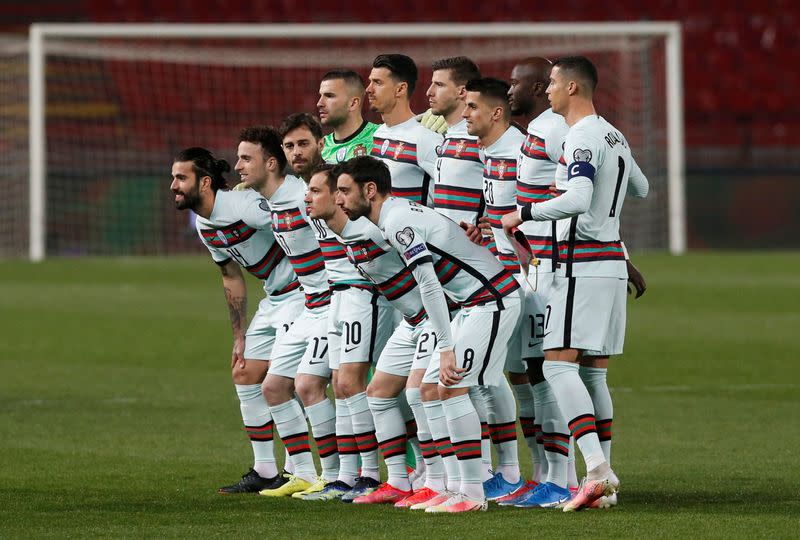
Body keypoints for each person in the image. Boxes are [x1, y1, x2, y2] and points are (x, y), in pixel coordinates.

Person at [502, 55, 649, 511]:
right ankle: (603, 483)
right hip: (610, 262)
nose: (545, 91)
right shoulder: (613, 133)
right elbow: (640, 187)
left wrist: (524, 213)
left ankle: (598, 471)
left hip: (577, 263)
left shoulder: (581, 136)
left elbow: (581, 197)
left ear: (571, 88)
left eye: (551, 83)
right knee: (592, 372)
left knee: (558, 367)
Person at [337, 155, 522, 513]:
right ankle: (455, 486)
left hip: (493, 299)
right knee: (431, 389)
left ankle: (475, 491)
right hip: (472, 304)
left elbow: (430, 286)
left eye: (345, 191)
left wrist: (446, 346)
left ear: (370, 190)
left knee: (453, 386)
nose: (340, 199)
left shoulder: (397, 222)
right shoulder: (399, 214)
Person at [308, 163, 449, 507]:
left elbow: (429, 248)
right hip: (410, 321)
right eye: (337, 192)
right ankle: (398, 480)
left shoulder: (377, 229)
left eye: (340, 191)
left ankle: (437, 479)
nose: (339, 199)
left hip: (434, 316)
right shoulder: (343, 233)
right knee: (379, 392)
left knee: (417, 395)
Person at [170, 147, 304, 494]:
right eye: (174, 177)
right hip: (275, 298)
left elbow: (296, 226)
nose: (174, 185)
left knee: (284, 382)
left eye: (181, 178)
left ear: (205, 182)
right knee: (244, 371)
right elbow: (230, 276)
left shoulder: (244, 206)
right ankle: (264, 469)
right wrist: (239, 335)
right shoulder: (204, 224)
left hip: (303, 292)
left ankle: (298, 469)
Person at [288, 122, 395, 501]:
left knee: (352, 384)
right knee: (340, 384)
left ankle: (369, 473)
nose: (307, 199)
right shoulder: (324, 219)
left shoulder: (360, 226)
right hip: (337, 299)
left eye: (315, 192)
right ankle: (345, 477)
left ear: (337, 196)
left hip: (361, 298)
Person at [233, 125, 334, 498]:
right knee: (274, 387)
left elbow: (338, 236)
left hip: (335, 303)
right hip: (308, 304)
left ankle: (340, 474)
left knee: (321, 386)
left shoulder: (300, 197)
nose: (239, 166)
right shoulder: (271, 201)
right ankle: (304, 474)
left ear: (270, 163)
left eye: (246, 158)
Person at [367, 53, 442, 206]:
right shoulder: (379, 134)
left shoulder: (425, 138)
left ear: (400, 89)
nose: (369, 89)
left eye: (378, 83)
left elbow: (454, 188)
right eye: (370, 82)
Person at [426, 56, 484, 226]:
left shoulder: (481, 137)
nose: (429, 91)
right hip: (451, 248)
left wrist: (495, 223)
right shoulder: (448, 135)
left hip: (480, 249)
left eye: (439, 85)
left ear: (462, 92)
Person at [317, 69, 379, 164]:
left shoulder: (381, 137)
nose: (319, 103)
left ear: (353, 103)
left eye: (329, 96)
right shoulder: (320, 147)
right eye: (320, 96)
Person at [281, 113, 324, 181]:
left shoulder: (339, 182)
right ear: (283, 149)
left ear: (321, 145)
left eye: (303, 144)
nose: (296, 152)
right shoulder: (287, 187)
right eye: (289, 146)